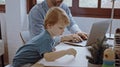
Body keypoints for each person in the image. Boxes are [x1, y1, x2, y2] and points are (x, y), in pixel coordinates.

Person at [12, 7, 77, 67]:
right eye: (60, 28)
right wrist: (66, 52)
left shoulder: (49, 35)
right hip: (21, 63)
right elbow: (48, 57)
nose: (63, 31)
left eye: (64, 28)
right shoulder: (46, 38)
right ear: (49, 26)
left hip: (20, 60)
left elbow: (50, 49)